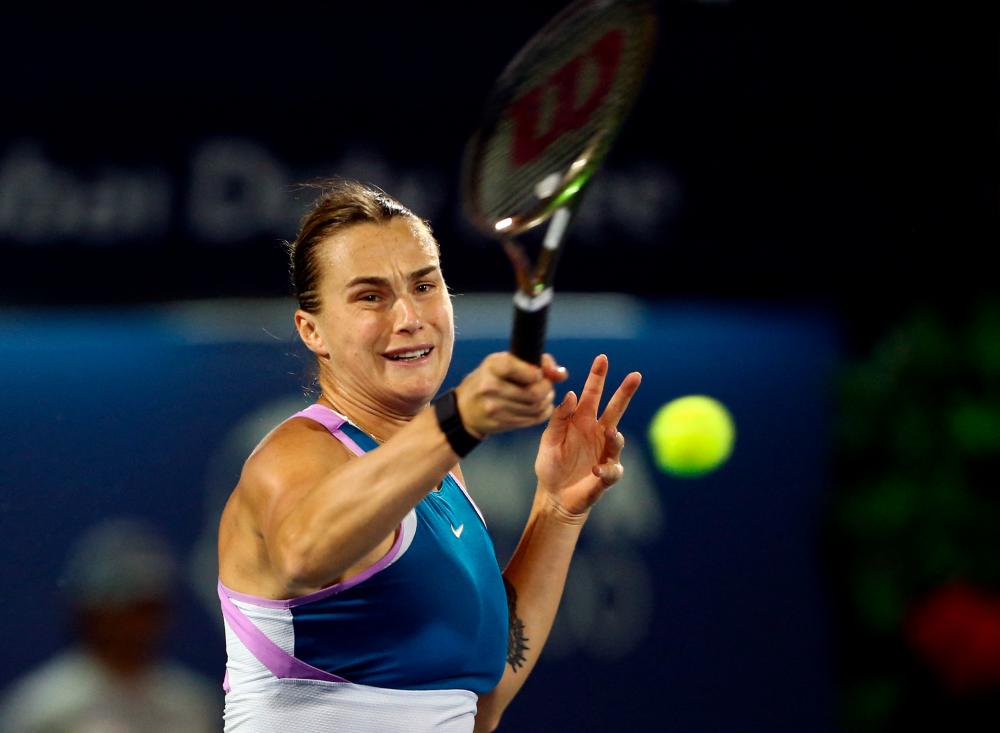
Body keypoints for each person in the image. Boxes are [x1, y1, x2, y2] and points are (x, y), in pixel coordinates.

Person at [216, 179, 642, 732]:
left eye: (424, 284)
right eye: (371, 296)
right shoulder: (294, 456)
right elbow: (304, 554)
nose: (409, 317)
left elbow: (478, 704)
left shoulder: (444, 477)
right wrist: (458, 418)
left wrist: (557, 510)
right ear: (312, 330)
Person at [0, 518, 221, 733]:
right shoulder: (40, 709)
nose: (140, 625)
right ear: (90, 610)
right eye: (128, 609)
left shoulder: (195, 705)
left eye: (151, 609)